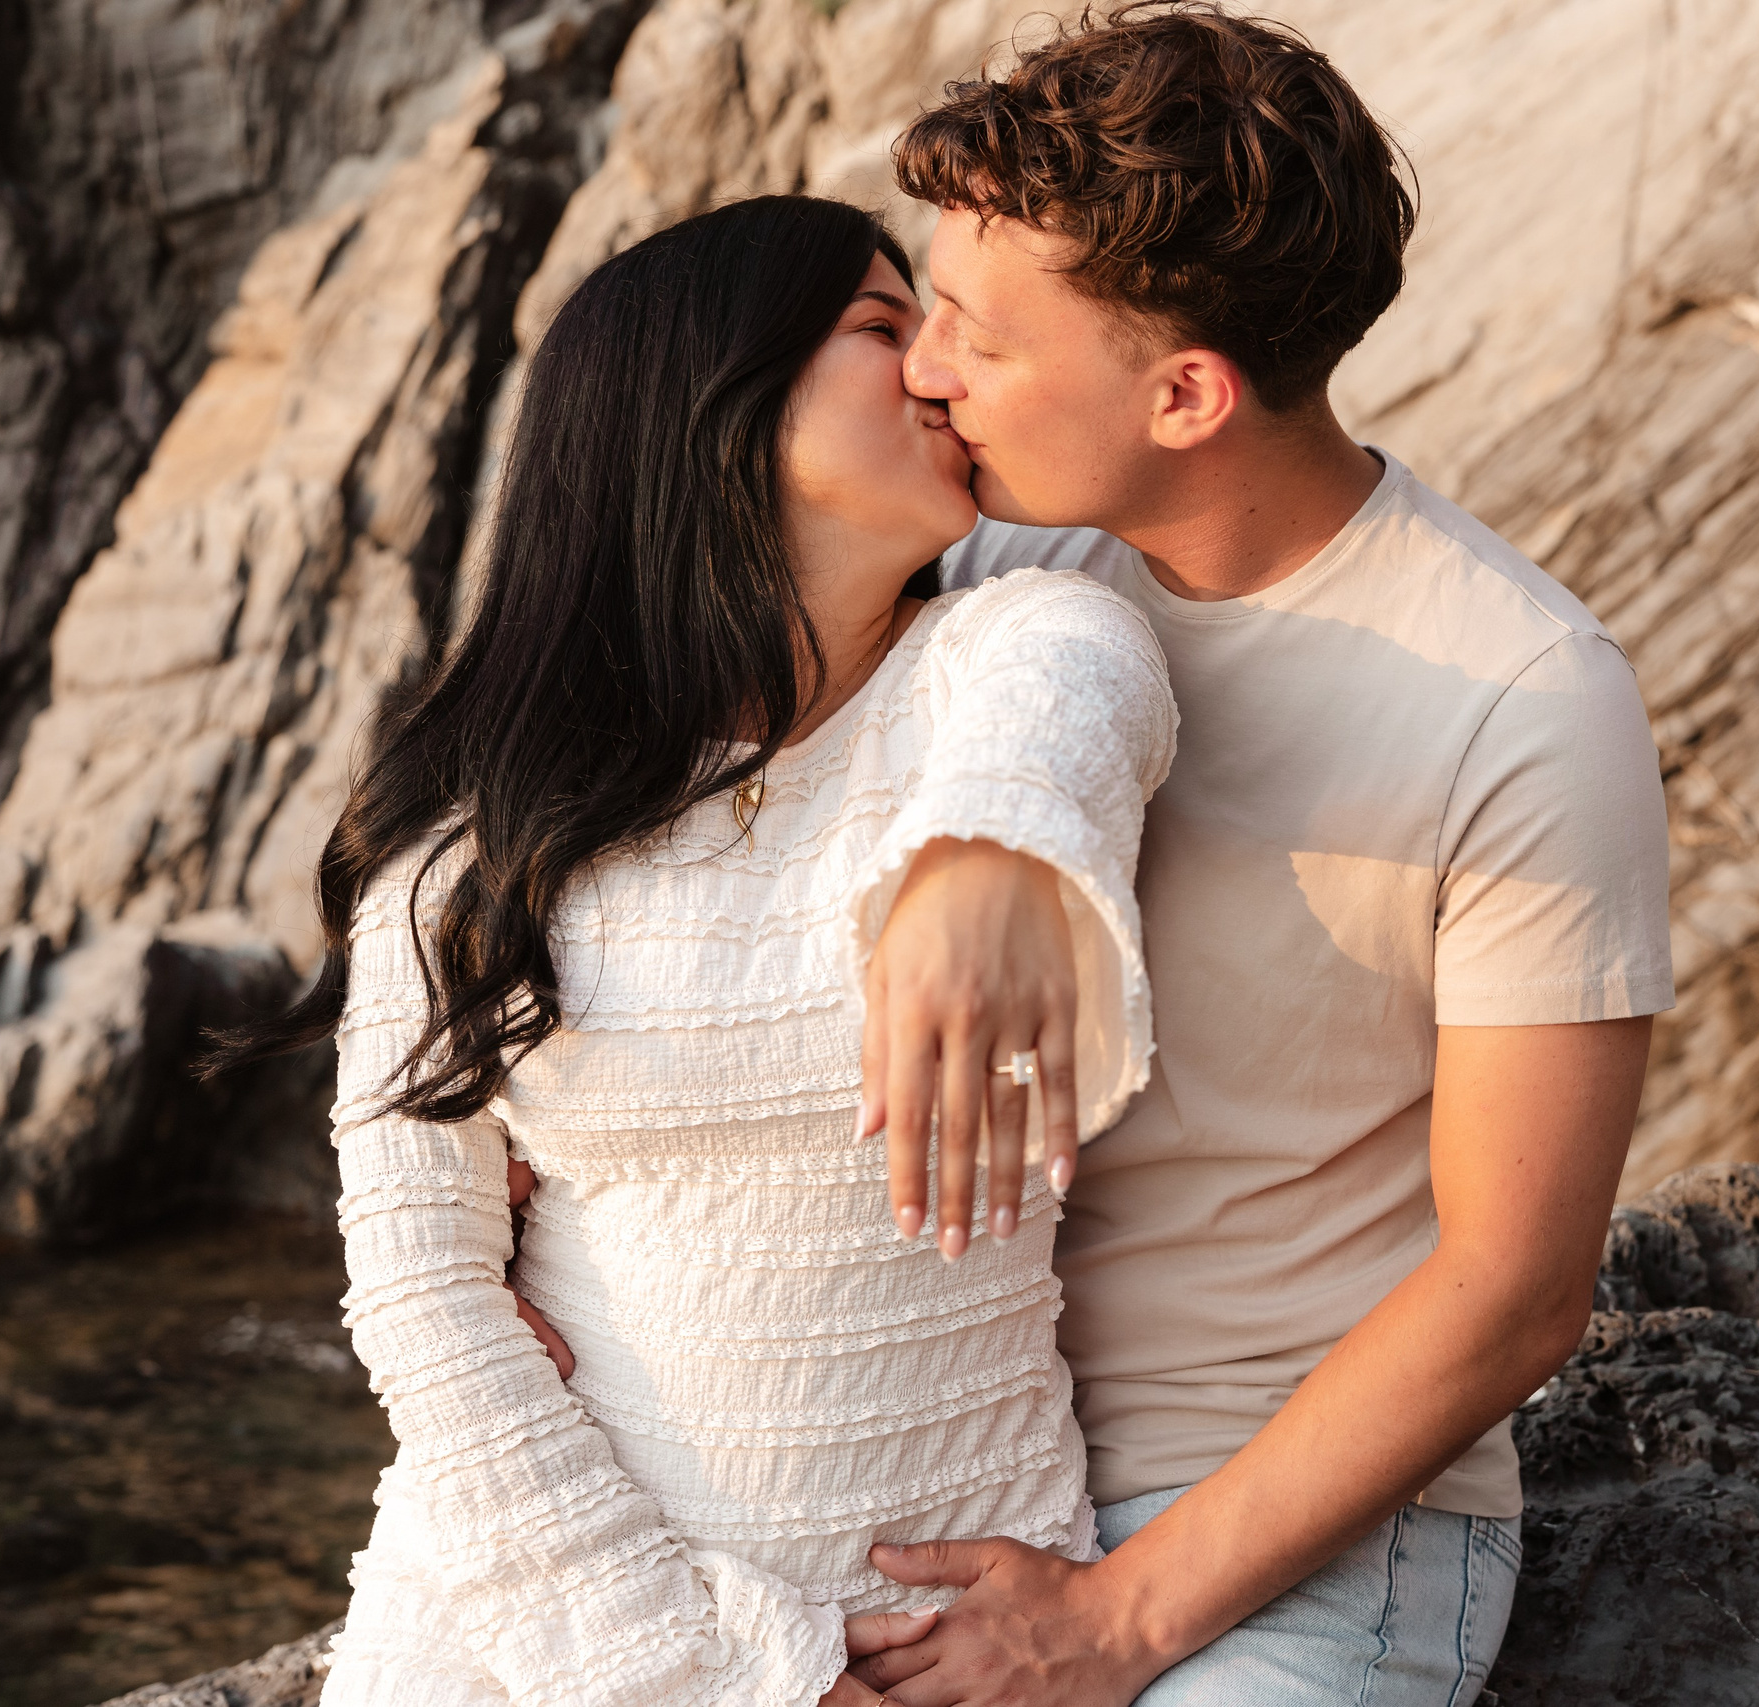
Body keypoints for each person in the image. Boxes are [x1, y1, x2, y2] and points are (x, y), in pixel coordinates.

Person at [828, 7, 1676, 1704]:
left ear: (1189, 393)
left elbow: (1516, 1288)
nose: (922, 374)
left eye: (979, 344)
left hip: (1288, 1533)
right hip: (926, 1441)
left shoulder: (1522, 700)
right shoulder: (989, 562)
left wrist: (1119, 1617)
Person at [227, 194, 1178, 1707]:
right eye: (884, 328)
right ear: (711, 408)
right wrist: (707, 1674)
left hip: (953, 1639)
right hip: (541, 1641)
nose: (940, 368)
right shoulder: (475, 846)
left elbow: (1077, 694)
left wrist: (987, 857)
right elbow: (423, 1291)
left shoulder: (1014, 654)